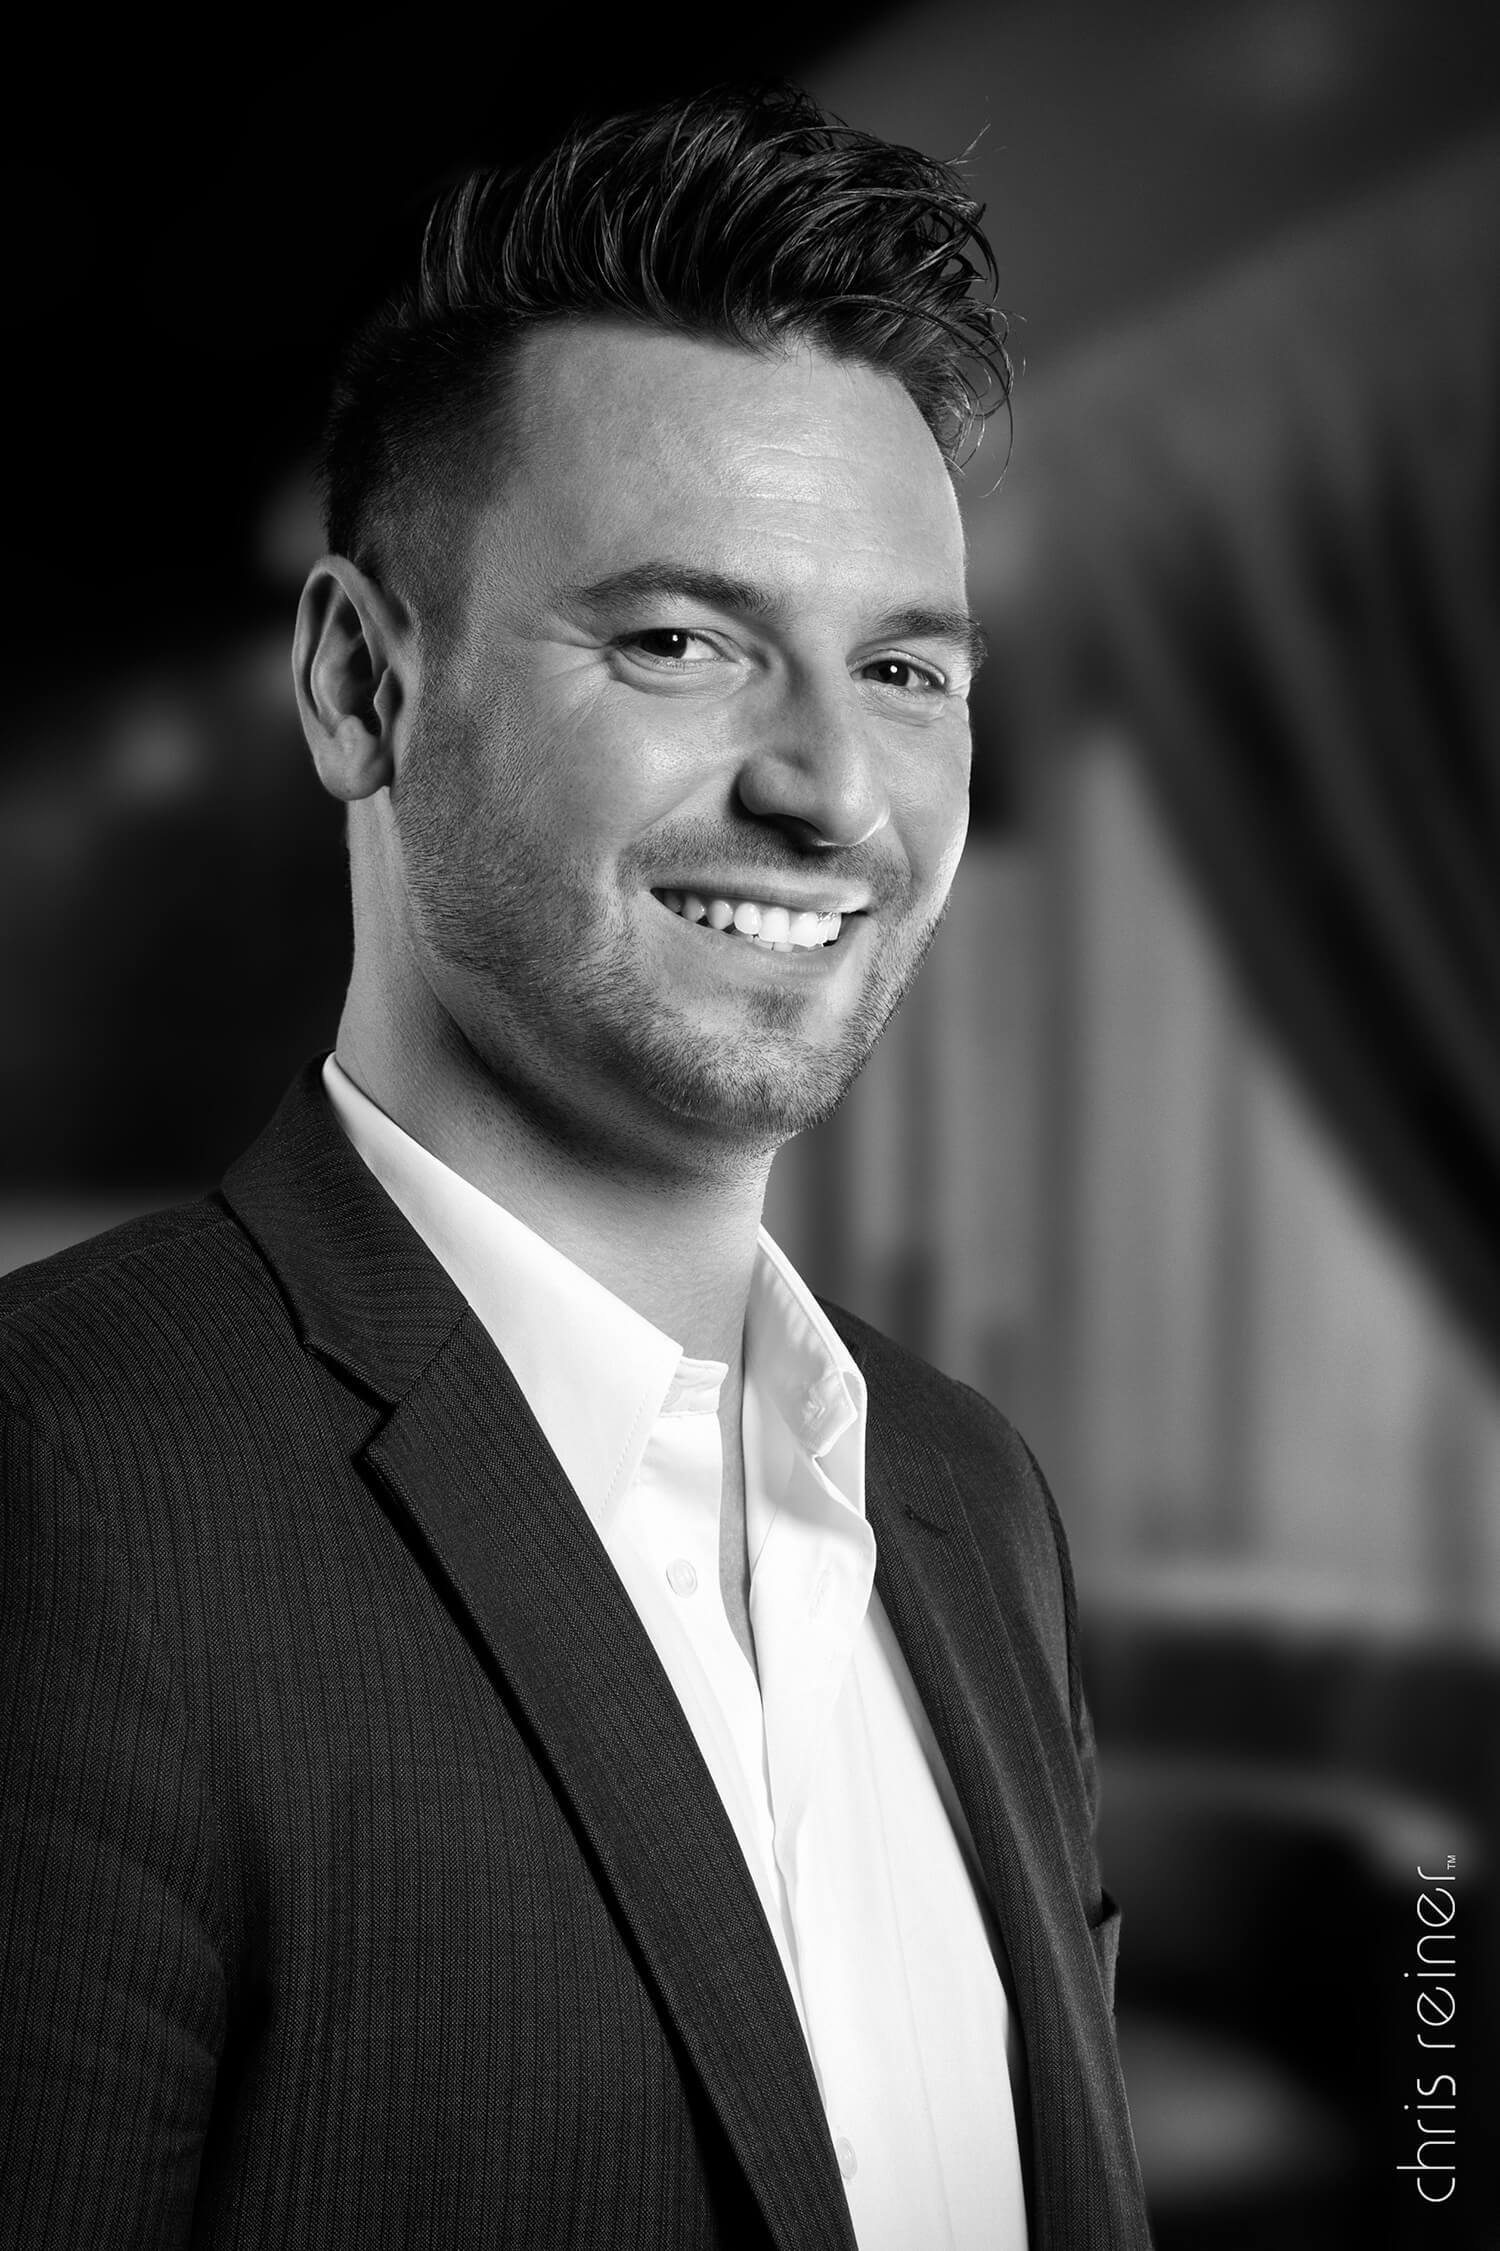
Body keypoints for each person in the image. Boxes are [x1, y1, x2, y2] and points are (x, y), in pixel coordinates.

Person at [0, 85, 1150, 2249]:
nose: (834, 788)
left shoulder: (969, 1499)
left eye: (905, 667)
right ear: (360, 684)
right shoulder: (62, 1483)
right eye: (681, 642)